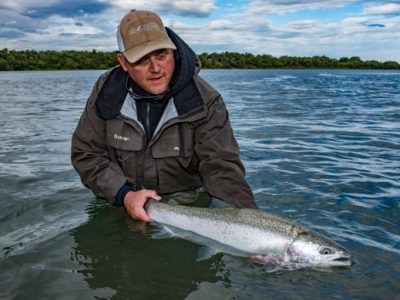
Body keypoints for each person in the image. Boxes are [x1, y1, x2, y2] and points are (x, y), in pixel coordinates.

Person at [71, 9, 257, 222]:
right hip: (119, 202)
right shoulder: (106, 93)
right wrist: (124, 195)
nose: (156, 68)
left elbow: (222, 168)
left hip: (187, 206)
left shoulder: (206, 100)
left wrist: (248, 226)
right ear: (123, 62)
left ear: (173, 51)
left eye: (162, 55)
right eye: (142, 60)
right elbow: (87, 154)